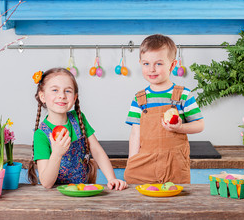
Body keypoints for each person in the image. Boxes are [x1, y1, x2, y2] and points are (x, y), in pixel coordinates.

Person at [28, 68, 127, 190]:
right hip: (55, 198)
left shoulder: (78, 119)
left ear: (74, 98)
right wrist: (57, 154)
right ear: (42, 96)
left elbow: (97, 151)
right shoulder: (41, 134)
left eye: (68, 91)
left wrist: (111, 178)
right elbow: (46, 183)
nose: (62, 96)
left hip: (82, 191)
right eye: (55, 90)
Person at [124, 34, 204, 184]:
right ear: (140, 63)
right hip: (144, 164)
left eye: (159, 64)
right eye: (146, 64)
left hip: (175, 165)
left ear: (172, 66)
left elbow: (199, 125)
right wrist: (132, 162)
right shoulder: (139, 99)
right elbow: (135, 134)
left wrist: (180, 127)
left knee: (175, 203)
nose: (152, 69)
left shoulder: (184, 95)